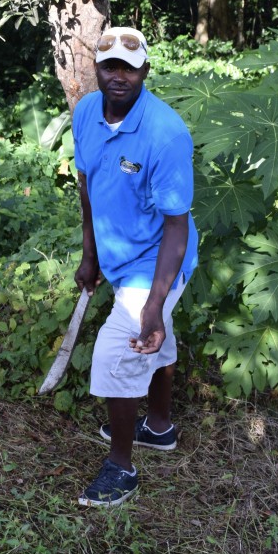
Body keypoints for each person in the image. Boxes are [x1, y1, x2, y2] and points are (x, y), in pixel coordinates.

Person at [72, 26, 198, 507]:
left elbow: (176, 226)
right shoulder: (86, 113)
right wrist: (90, 254)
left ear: (145, 69)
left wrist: (155, 301)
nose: (118, 75)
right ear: (97, 69)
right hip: (118, 254)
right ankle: (159, 428)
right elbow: (87, 183)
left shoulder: (165, 134)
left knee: (117, 350)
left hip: (159, 258)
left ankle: (121, 467)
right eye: (110, 66)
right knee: (152, 341)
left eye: (129, 66)